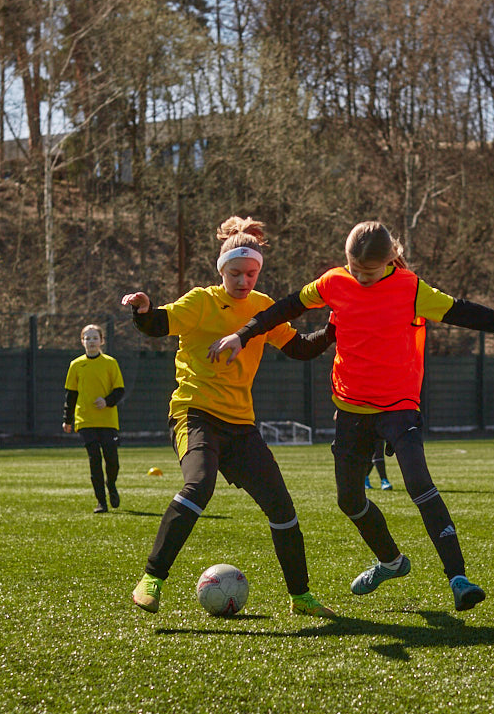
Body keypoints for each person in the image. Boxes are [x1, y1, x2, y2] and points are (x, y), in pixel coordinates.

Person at [208, 220, 494, 612]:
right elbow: (284, 307)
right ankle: (391, 561)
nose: (360, 278)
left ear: (390, 260)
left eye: (368, 273)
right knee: (349, 500)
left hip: (399, 404)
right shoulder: (331, 283)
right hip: (351, 406)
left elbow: (467, 313)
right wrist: (243, 334)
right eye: (355, 270)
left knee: (419, 483)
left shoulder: (411, 288)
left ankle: (459, 580)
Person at [120, 216, 337, 619]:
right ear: (221, 270)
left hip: (240, 424)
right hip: (194, 413)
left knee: (282, 509)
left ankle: (301, 596)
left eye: (251, 273)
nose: (244, 280)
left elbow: (301, 349)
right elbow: (158, 324)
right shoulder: (201, 301)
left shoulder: (263, 307)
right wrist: (144, 310)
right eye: (235, 273)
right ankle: (151, 579)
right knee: (199, 486)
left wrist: (334, 327)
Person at [63, 324, 125, 513]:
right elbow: (71, 394)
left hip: (107, 420)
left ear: (102, 341)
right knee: (94, 459)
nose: (91, 342)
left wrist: (106, 402)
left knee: (112, 460)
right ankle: (101, 502)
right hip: (85, 420)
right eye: (87, 338)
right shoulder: (76, 365)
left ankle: (111, 485)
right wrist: (68, 419)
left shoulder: (110, 363)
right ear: (82, 342)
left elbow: (119, 391)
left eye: (94, 338)